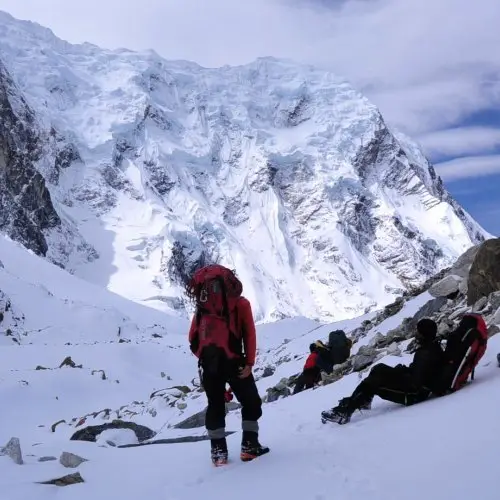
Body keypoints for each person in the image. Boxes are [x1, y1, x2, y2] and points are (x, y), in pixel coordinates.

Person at [187, 264, 269, 466]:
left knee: (215, 406)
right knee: (251, 403)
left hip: (210, 366)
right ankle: (249, 447)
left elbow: (193, 339)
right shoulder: (241, 304)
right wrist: (249, 362)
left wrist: (207, 358)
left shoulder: (202, 307)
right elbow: (249, 334)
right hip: (235, 363)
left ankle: (218, 454)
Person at [321, 318, 444, 425]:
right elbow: (419, 373)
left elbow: (415, 384)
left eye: (418, 332)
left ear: (424, 334)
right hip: (414, 385)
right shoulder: (430, 348)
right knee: (379, 368)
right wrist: (400, 372)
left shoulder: (426, 353)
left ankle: (345, 412)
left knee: (374, 382)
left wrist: (397, 375)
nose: (416, 334)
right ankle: (364, 400)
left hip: (413, 395)